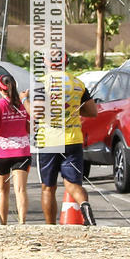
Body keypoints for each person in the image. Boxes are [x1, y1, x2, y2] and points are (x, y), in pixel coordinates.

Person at [25, 53, 98, 226]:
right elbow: (92, 112)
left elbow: (36, 113)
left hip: (48, 141)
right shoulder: (77, 83)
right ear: (66, 62)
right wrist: (71, 111)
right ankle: (85, 205)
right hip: (73, 140)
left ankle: (51, 226)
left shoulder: (40, 83)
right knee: (72, 184)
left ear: (46, 62)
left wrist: (24, 99)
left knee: (48, 188)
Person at [0, 75, 31, 225]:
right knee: (21, 190)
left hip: (1, 152)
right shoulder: (22, 105)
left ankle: (3, 223)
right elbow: (29, 128)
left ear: (0, 88)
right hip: (22, 151)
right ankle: (22, 222)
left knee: (3, 190)